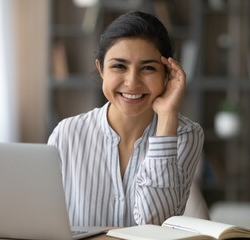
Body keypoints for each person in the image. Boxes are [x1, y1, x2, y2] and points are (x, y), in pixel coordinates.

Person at [48, 11, 204, 227]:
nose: (132, 82)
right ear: (101, 69)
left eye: (148, 68)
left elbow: (155, 224)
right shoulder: (67, 133)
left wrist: (167, 118)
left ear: (167, 75)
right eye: (119, 66)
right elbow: (44, 221)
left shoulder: (186, 135)